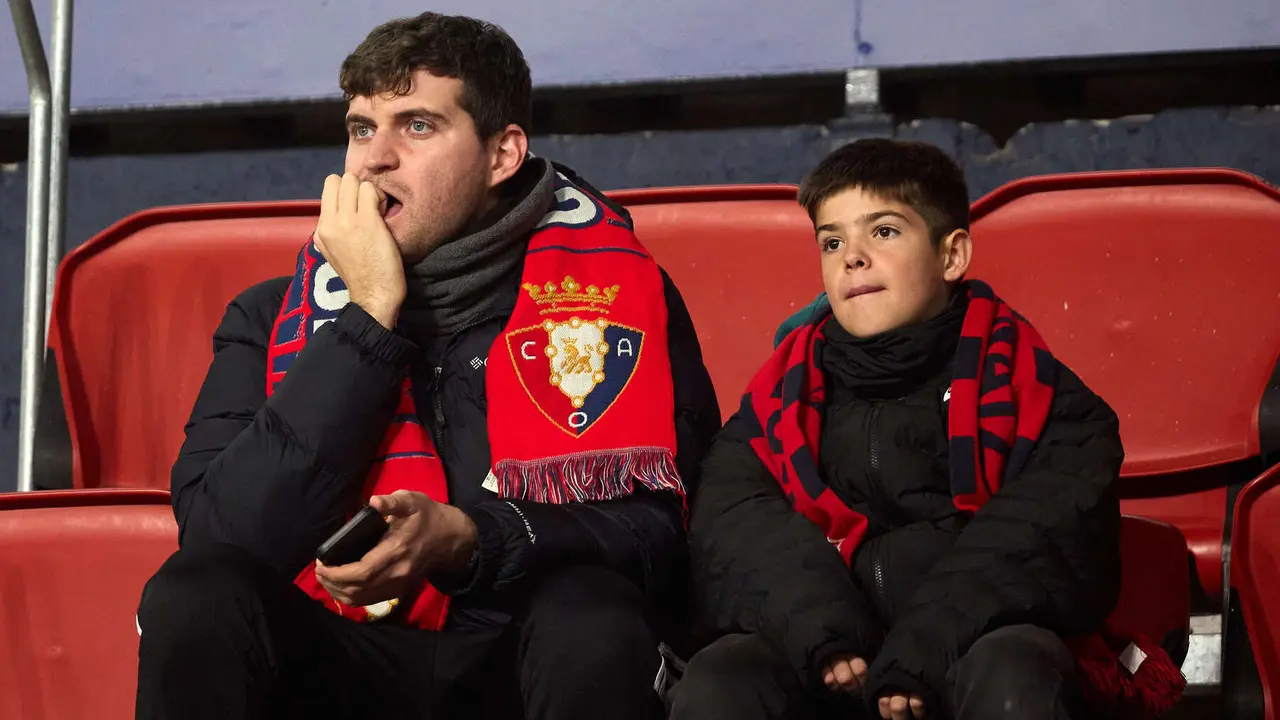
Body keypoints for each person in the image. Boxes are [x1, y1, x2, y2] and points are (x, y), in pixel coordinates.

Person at [133, 12, 720, 720]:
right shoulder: (267, 317)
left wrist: (475, 540)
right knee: (195, 593)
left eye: (415, 126)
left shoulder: (620, 296)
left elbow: (663, 539)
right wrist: (367, 320)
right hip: (341, 667)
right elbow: (221, 539)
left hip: (521, 656)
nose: (372, 160)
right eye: (359, 128)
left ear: (502, 155)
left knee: (589, 608)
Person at [668, 138, 1184, 720]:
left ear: (952, 255)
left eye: (883, 232)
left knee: (1013, 671)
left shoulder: (1040, 394)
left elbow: (1045, 536)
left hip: (968, 648)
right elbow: (735, 524)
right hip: (834, 659)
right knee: (723, 679)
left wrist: (925, 642)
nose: (851, 258)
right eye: (832, 241)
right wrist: (826, 630)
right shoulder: (775, 398)